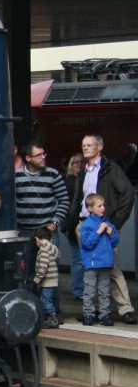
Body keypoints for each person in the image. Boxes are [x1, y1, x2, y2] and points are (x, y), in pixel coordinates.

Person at [71, 134, 137, 324]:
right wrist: (72, 223)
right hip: (84, 224)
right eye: (83, 145)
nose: (85, 148)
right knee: (90, 269)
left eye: (89, 145)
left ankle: (126, 310)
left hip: (104, 225)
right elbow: (78, 199)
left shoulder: (109, 168)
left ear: (99, 147)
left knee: (112, 268)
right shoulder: (84, 171)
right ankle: (94, 311)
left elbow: (128, 193)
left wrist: (115, 223)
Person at [14, 141, 69, 295]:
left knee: (51, 274)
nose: (43, 157)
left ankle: (53, 313)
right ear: (28, 158)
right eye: (38, 155)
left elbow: (64, 200)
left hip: (46, 231)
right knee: (28, 272)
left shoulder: (53, 174)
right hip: (24, 231)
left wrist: (55, 223)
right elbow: (9, 203)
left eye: (44, 154)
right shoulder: (15, 176)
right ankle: (33, 309)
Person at [80, 193, 121, 326]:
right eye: (99, 206)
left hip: (105, 263)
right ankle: (88, 314)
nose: (103, 208)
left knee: (105, 291)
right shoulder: (86, 225)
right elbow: (87, 243)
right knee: (90, 291)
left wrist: (110, 233)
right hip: (92, 264)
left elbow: (115, 243)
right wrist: (98, 231)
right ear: (90, 208)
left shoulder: (108, 224)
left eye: (103, 205)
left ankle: (105, 315)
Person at [62, 153, 85, 301]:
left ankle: (84, 291)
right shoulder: (68, 181)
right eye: (75, 162)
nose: (78, 164)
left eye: (81, 161)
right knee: (78, 260)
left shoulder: (87, 179)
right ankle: (79, 292)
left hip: (86, 224)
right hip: (72, 224)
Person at [32, 226, 61, 329]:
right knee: (47, 298)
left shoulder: (43, 249)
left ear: (36, 238)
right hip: (53, 279)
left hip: (47, 280)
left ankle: (53, 318)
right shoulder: (53, 247)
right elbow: (58, 256)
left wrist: (36, 280)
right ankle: (48, 318)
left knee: (45, 299)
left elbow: (43, 267)